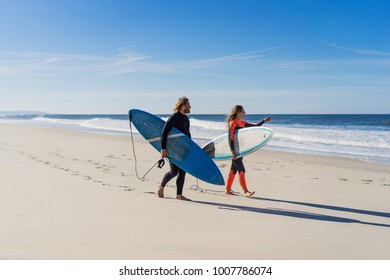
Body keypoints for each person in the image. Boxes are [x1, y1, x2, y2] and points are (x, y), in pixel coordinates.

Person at [225, 105, 271, 197]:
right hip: (235, 151)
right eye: (243, 111)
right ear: (238, 112)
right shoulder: (233, 123)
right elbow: (230, 138)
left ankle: (228, 190)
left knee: (233, 169)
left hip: (240, 150)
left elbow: (255, 126)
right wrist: (232, 151)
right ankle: (245, 191)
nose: (244, 112)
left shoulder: (241, 122)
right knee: (241, 170)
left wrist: (264, 120)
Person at [157, 96, 192, 201]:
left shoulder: (186, 118)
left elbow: (187, 134)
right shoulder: (174, 116)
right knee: (174, 171)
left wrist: (190, 147)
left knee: (183, 171)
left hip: (183, 148)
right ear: (183, 106)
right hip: (173, 148)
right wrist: (163, 148)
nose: (190, 106)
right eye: (188, 104)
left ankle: (179, 195)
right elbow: (165, 132)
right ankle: (161, 186)